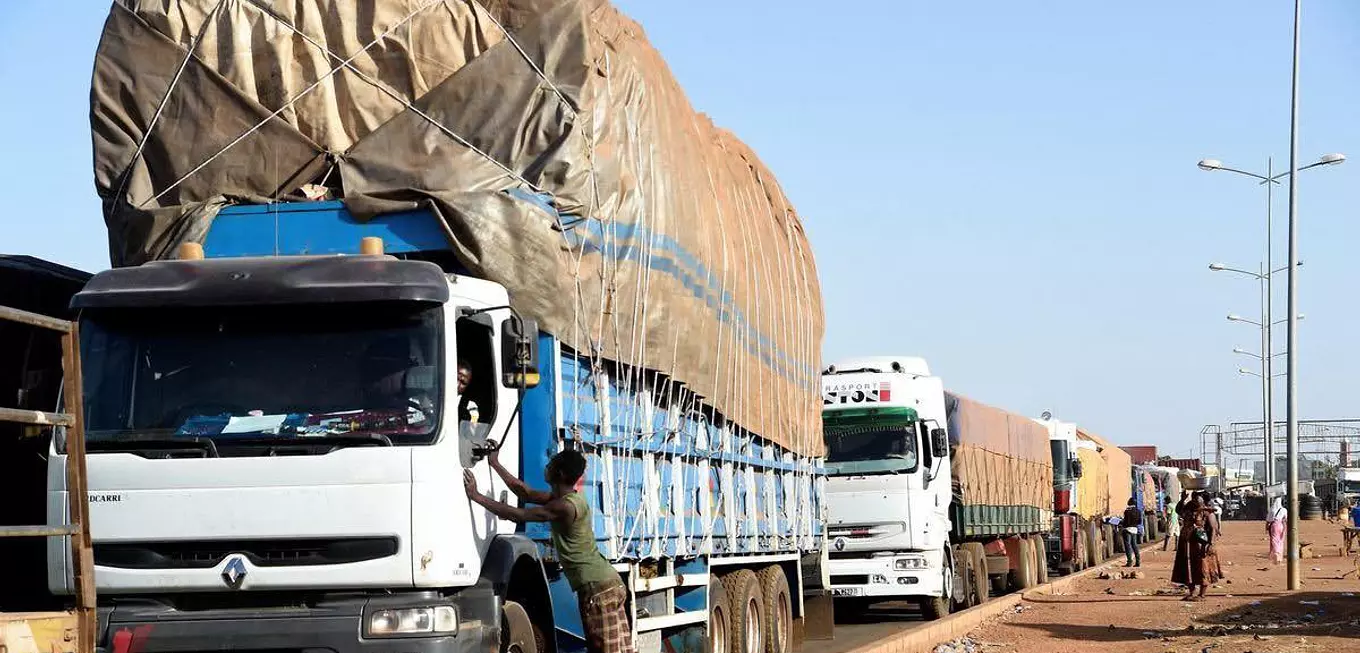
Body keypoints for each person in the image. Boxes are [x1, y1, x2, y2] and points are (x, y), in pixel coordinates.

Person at [464, 447, 634, 653]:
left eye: (551, 464)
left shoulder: (565, 507)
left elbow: (517, 514)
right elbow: (524, 492)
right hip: (607, 584)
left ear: (559, 473)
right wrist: (496, 464)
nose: (547, 467)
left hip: (597, 590)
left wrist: (476, 496)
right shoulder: (568, 499)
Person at [1171, 492, 1224, 601]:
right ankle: (1191, 592)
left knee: (1203, 567)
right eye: (1193, 498)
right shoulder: (1188, 511)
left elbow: (1213, 529)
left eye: (1197, 498)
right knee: (1188, 567)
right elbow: (1178, 511)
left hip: (1201, 545)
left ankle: (1202, 594)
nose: (1195, 500)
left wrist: (1210, 544)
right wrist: (1182, 500)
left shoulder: (1207, 513)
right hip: (1188, 544)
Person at [1121, 498, 1143, 567]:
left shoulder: (1127, 511)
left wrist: (1121, 524)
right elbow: (1139, 521)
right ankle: (1138, 561)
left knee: (1128, 546)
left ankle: (1129, 562)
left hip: (1127, 529)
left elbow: (1125, 522)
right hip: (1135, 530)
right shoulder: (1138, 511)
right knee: (1135, 545)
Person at [1266, 496, 1287, 565]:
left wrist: (1266, 529)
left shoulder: (1272, 510)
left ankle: (1276, 555)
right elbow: (1285, 519)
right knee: (1281, 540)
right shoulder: (1284, 509)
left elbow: (1268, 521)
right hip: (1281, 526)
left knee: (1274, 540)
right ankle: (1279, 557)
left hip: (1274, 526)